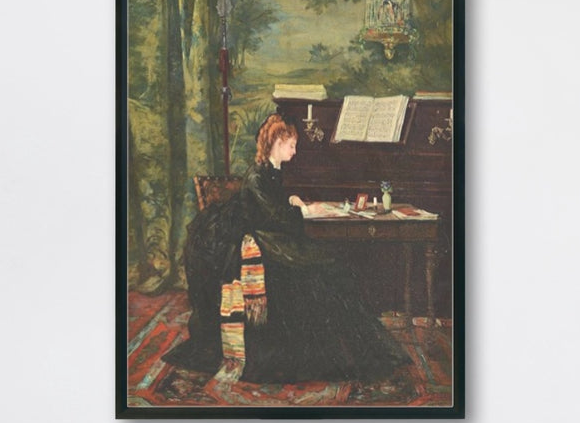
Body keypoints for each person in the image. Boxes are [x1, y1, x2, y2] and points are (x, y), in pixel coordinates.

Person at [163, 114, 409, 384]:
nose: (295, 151)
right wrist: (305, 210)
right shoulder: (256, 176)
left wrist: (291, 199)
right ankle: (335, 355)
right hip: (262, 242)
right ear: (277, 143)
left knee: (332, 265)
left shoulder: (271, 171)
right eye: (291, 145)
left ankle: (355, 351)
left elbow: (274, 203)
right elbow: (274, 216)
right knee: (323, 268)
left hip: (272, 237)